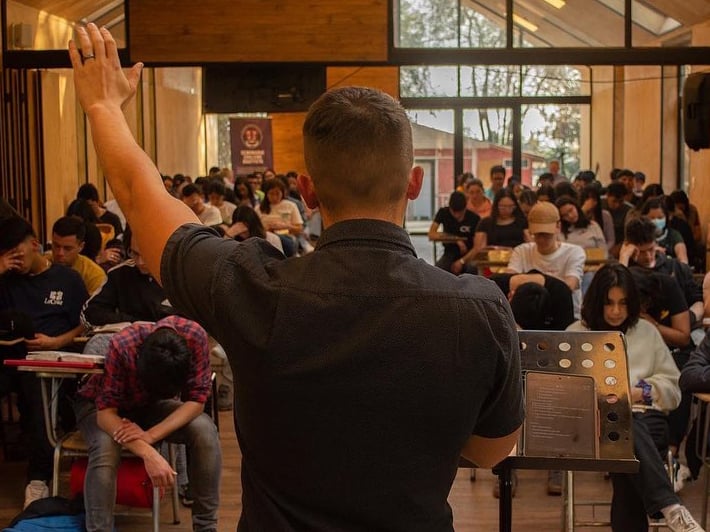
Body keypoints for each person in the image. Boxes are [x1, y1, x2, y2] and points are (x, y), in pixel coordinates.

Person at [70, 25, 524, 531]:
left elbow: (139, 195)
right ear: (414, 182)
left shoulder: (251, 287)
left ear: (306, 191)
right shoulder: (480, 309)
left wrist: (104, 107)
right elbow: (492, 450)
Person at [567, 263, 703, 532]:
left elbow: (674, 389)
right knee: (625, 434)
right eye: (608, 303)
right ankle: (670, 506)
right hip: (592, 425)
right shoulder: (575, 334)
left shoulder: (647, 332)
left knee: (628, 441)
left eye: (623, 303)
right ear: (596, 302)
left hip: (646, 418)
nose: (616, 311)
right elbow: (561, 391)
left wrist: (644, 390)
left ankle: (669, 507)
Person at [74, 316, 221, 532]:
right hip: (101, 408)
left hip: (151, 405)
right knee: (106, 448)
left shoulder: (194, 336)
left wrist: (150, 435)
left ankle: (206, 527)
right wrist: (149, 453)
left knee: (205, 430)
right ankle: (99, 529)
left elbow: (196, 402)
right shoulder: (124, 345)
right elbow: (105, 415)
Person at [0, 216, 88, 508]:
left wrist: (57, 341)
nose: (14, 262)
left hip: (50, 361)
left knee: (37, 386)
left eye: (17, 254)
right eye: (6, 256)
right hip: (10, 357)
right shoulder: (7, 280)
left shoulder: (67, 279)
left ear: (35, 245)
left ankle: (38, 477)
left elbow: (85, 324)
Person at [455, 188, 530, 275]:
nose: (507, 210)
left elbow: (529, 243)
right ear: (496, 206)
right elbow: (478, 249)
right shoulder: (486, 223)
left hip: (517, 262)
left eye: (511, 207)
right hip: (492, 263)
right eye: (502, 207)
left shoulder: (522, 222)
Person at [47, 215, 107, 295]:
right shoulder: (43, 264)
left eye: (67, 248)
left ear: (81, 247)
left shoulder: (94, 275)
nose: (60, 253)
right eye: (56, 246)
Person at [428, 191, 479, 274]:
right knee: (437, 272)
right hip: (449, 253)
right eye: (454, 212)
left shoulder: (474, 218)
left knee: (472, 269)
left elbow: (477, 247)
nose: (456, 215)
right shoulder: (443, 212)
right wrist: (456, 239)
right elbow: (432, 234)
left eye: (460, 213)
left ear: (465, 208)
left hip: (469, 255)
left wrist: (462, 261)